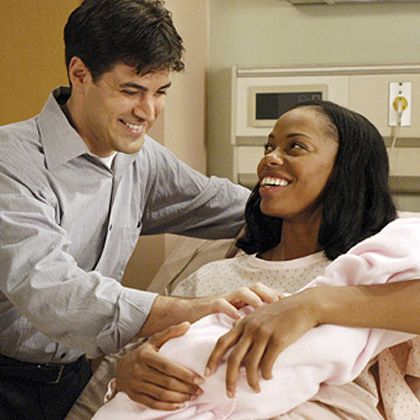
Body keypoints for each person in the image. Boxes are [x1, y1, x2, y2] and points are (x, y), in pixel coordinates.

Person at [0, 0, 252, 418]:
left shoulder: (142, 160)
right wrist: (180, 309)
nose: (147, 111)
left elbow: (221, 204)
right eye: (131, 91)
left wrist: (341, 208)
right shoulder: (11, 161)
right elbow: (49, 290)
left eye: (160, 93)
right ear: (80, 75)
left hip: (77, 377)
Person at [92, 100, 420, 419]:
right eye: (268, 147)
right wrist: (128, 373)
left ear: (345, 169)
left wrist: (312, 305)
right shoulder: (209, 278)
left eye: (295, 147)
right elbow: (162, 357)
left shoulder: (370, 277)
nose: (269, 160)